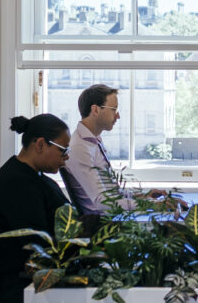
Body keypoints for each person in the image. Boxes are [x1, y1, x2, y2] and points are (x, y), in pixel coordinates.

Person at [0, 113, 72, 303]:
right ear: (40, 144)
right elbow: (39, 243)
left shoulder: (33, 178)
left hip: (38, 275)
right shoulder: (17, 185)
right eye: (63, 150)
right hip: (26, 285)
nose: (65, 158)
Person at [62, 83, 180, 216]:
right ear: (95, 110)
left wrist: (144, 195)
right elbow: (102, 203)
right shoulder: (80, 148)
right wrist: (151, 205)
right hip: (102, 225)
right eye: (113, 109)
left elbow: (111, 193)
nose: (118, 116)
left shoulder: (93, 141)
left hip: (114, 217)